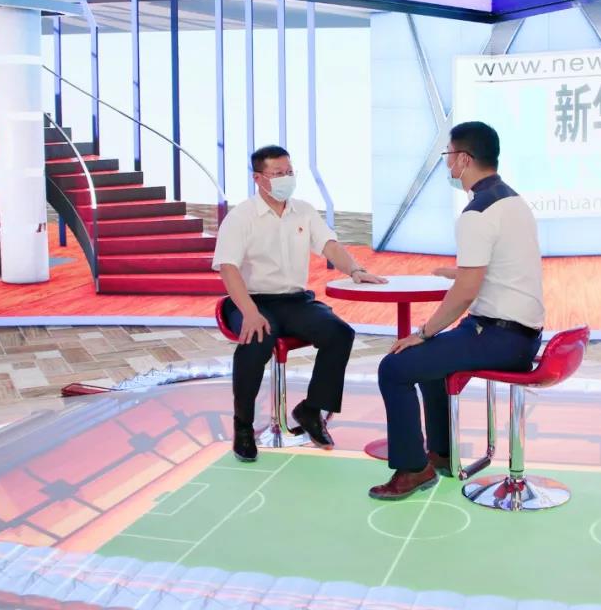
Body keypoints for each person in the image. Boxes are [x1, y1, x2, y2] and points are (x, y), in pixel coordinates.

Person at [370, 121, 545, 500]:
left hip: (499, 337)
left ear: (464, 159)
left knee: (395, 367)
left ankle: (413, 469)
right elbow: (499, 265)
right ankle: (441, 453)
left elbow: (466, 293)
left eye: (448, 155)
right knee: (428, 362)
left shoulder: (477, 212)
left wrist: (423, 332)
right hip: (523, 334)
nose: (447, 163)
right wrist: (458, 273)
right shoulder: (513, 201)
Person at [213, 145, 386, 462]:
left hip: (294, 300)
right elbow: (228, 268)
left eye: (289, 172)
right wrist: (250, 312)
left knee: (339, 333)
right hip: (249, 300)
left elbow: (329, 245)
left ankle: (310, 409)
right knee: (258, 337)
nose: (286, 178)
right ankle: (243, 426)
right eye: (278, 173)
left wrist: (355, 270)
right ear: (258, 178)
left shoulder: (303, 210)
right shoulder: (240, 217)